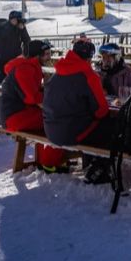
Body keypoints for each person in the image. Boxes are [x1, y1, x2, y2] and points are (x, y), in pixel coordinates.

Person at [44, 40, 115, 184]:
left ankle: (91, 162)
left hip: (50, 131)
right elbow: (101, 111)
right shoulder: (88, 75)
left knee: (89, 122)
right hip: (70, 133)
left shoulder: (58, 73)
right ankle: (99, 167)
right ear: (89, 58)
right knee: (110, 125)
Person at [0, 40, 65, 172]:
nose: (49, 57)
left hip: (19, 113)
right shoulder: (24, 69)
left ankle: (46, 159)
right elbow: (32, 98)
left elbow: (33, 93)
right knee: (59, 121)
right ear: (36, 55)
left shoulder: (30, 66)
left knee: (52, 117)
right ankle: (50, 162)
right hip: (14, 117)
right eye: (46, 54)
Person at [0, 10, 30, 84]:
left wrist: (23, 30)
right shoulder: (1, 27)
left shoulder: (19, 28)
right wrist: (13, 26)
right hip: (2, 61)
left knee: (16, 82)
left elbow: (27, 40)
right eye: (16, 20)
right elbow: (4, 36)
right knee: (0, 82)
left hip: (15, 59)